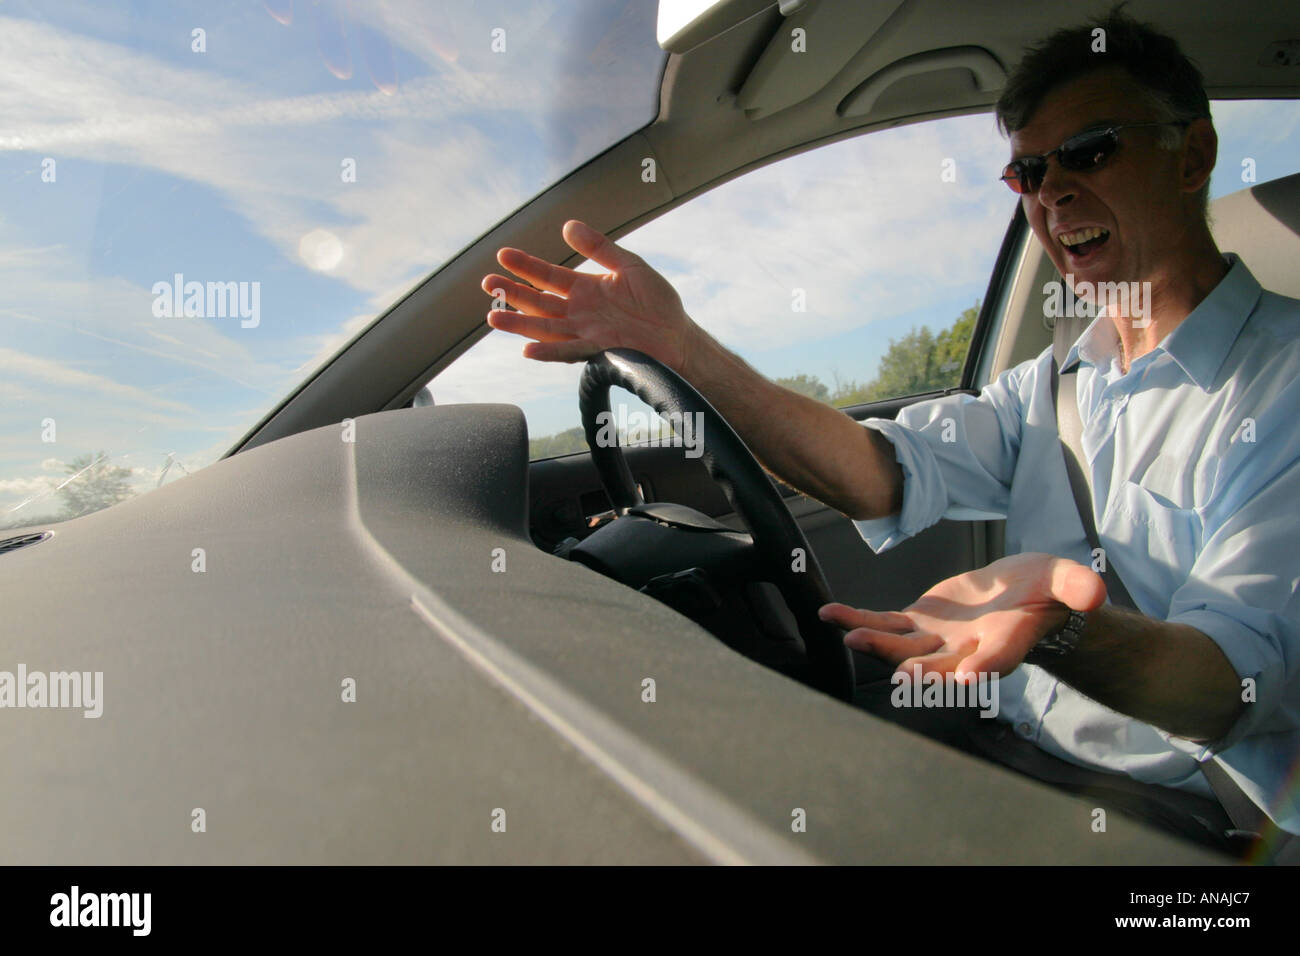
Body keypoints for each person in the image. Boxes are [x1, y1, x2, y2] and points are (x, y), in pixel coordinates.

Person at [480, 8, 1299, 853]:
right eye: (1028, 172)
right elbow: (882, 471)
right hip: (1000, 742)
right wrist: (676, 346)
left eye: (1090, 150)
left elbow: (1226, 683)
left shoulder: (1285, 386)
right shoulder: (1050, 386)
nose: (1053, 192)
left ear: (1192, 154)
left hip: (1189, 820)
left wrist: (1058, 631)